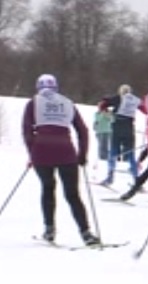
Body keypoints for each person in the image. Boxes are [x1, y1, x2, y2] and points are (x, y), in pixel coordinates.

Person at [22, 74, 101, 246]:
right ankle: (86, 233)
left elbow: (27, 131)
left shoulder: (33, 103)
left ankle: (49, 230)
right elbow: (83, 130)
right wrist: (82, 155)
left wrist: (32, 153)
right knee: (73, 194)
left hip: (42, 152)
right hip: (66, 152)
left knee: (48, 188)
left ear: (38, 87)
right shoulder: (67, 102)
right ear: (56, 87)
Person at [99, 84, 142, 185]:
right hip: (129, 127)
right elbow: (145, 109)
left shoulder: (119, 98)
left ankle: (110, 176)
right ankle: (136, 178)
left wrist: (106, 113)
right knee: (131, 153)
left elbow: (102, 104)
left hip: (117, 126)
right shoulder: (135, 100)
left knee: (113, 152)